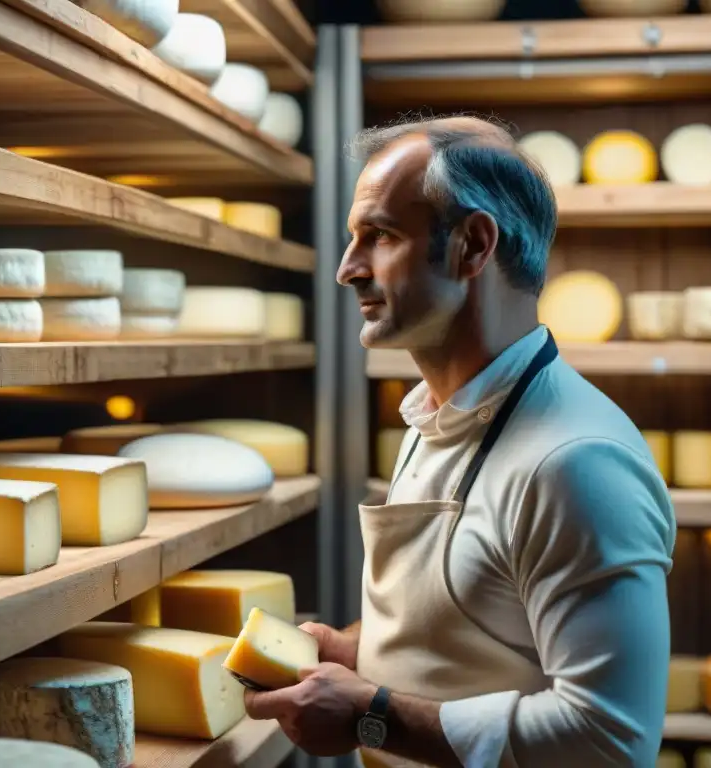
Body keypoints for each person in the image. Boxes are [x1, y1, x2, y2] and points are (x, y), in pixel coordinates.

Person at [243, 115, 676, 767]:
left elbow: (609, 741)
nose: (346, 269)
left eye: (379, 235)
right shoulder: (436, 415)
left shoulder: (577, 462)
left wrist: (369, 716)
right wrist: (353, 650)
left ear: (472, 246)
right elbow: (475, 629)